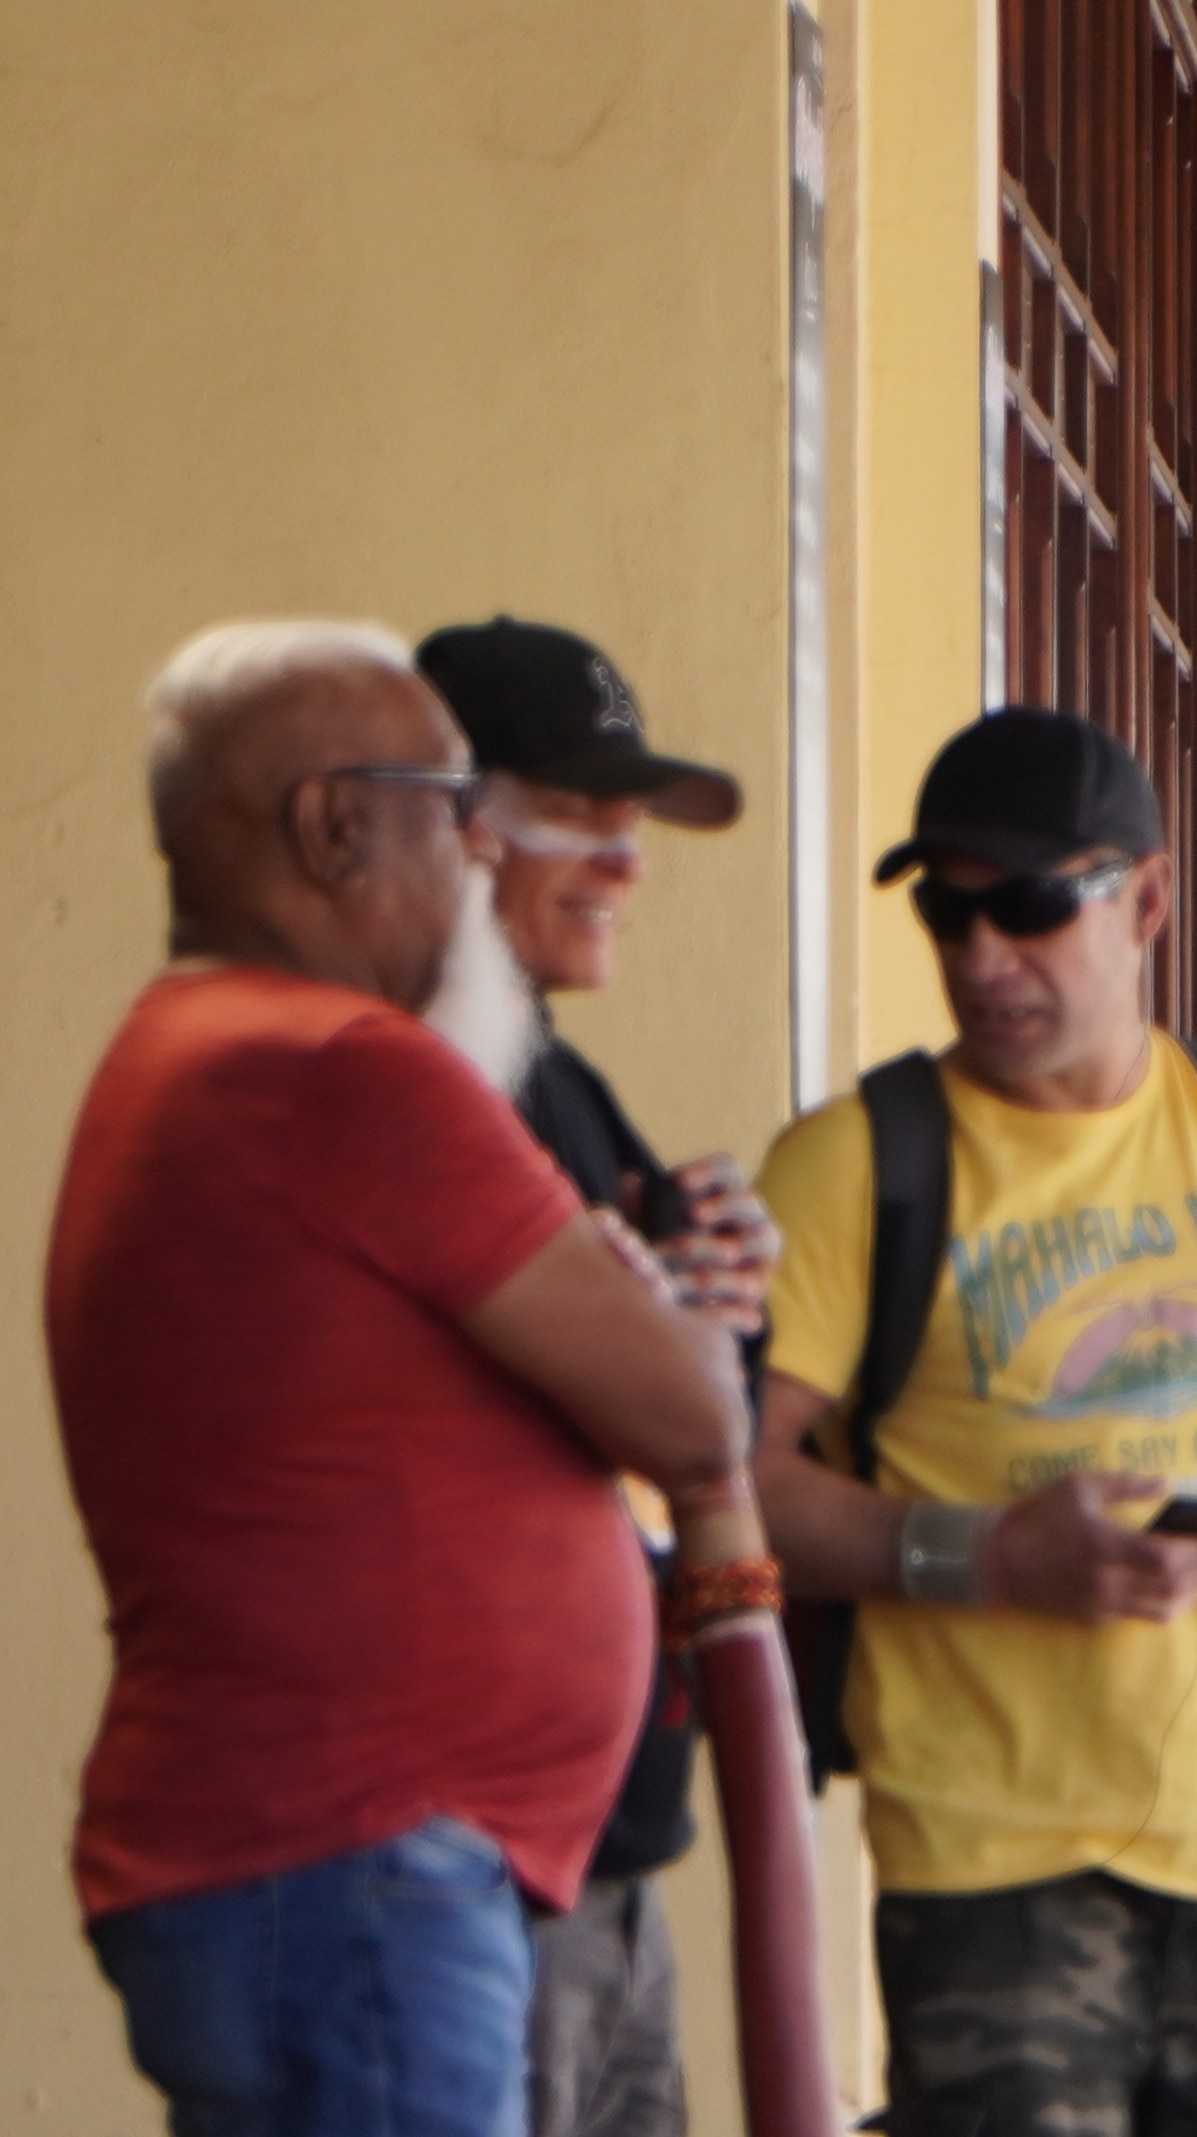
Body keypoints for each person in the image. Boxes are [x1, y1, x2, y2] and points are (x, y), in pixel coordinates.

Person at [48, 620, 754, 2133]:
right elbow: (692, 1414)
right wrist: (662, 1315)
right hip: (360, 1859)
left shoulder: (205, 1051)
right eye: (456, 814)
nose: (478, 860)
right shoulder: (341, 1068)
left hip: (331, 1862)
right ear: (331, 823)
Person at [747, 708, 1197, 2135]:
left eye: (1025, 906)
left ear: (1144, 899)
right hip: (989, 1862)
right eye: (947, 914)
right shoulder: (856, 1165)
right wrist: (985, 1553)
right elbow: (727, 1487)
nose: (980, 956)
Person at [419, 615, 772, 2137]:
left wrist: (720, 1295)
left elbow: (694, 1406)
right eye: (579, 817)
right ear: (447, 822)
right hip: (460, 1858)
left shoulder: (549, 1074)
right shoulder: (407, 1082)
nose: (627, 865)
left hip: (608, 1846)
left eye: (635, 828)